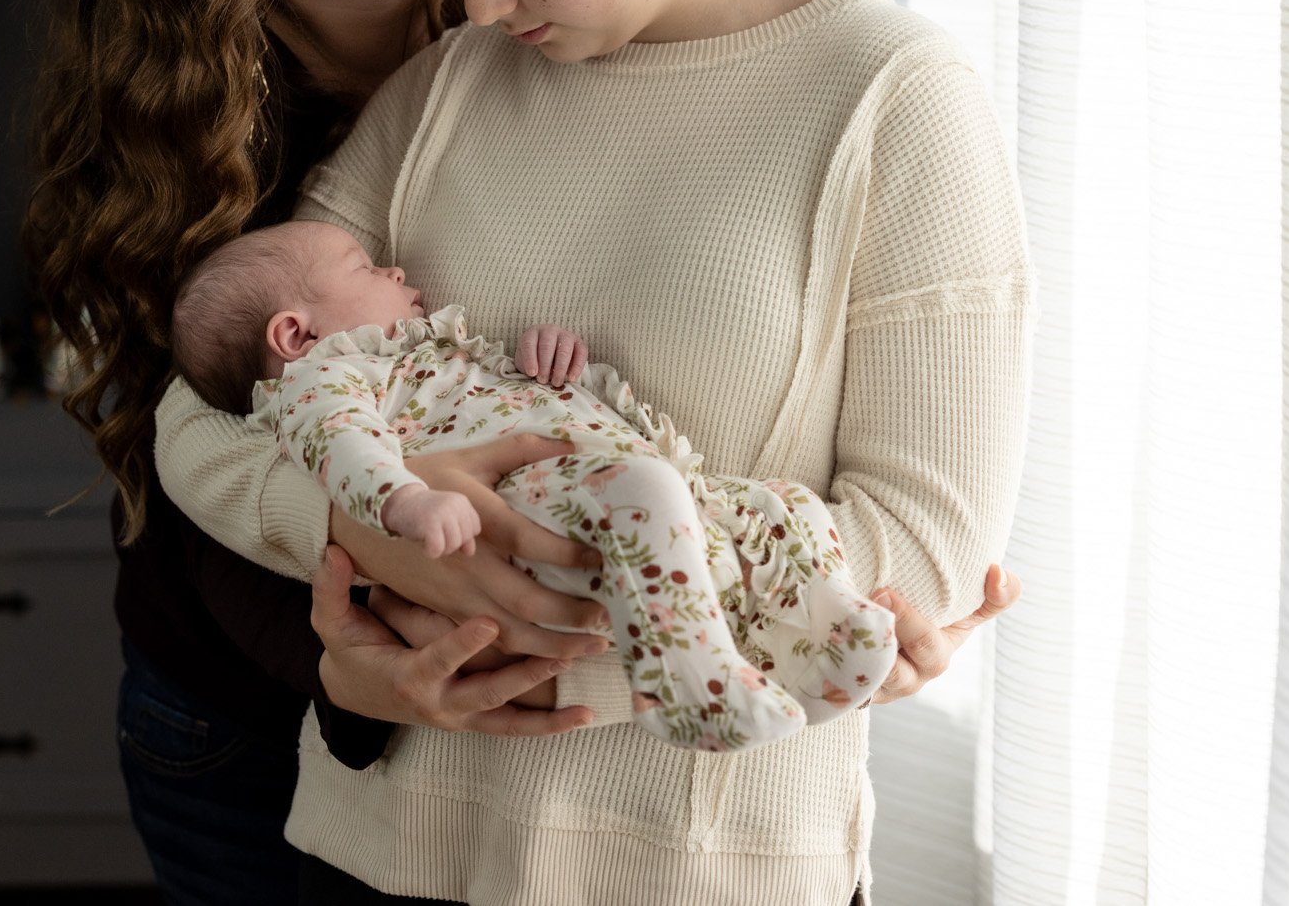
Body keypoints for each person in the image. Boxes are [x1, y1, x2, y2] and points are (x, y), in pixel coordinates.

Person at [22, 0, 1020, 906]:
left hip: (701, 858)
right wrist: (368, 557)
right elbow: (202, 424)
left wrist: (567, 618)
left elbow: (920, 545)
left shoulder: (892, 100)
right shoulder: (438, 86)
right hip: (332, 786)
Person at [170, 217, 898, 752]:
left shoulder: (425, 358)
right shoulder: (325, 379)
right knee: (645, 490)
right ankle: (686, 689)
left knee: (781, 504)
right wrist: (404, 502)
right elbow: (342, 447)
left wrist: (551, 366)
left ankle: (826, 647)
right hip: (532, 508)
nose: (393, 272)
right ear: (294, 336)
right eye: (365, 269)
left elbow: (527, 401)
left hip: (608, 483)